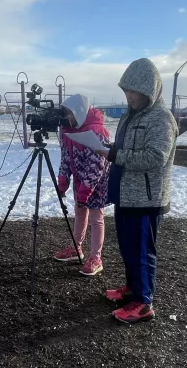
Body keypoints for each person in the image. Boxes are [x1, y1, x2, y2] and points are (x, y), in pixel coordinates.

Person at [97, 58, 178, 324]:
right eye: (126, 91)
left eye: (133, 91)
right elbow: (126, 149)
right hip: (126, 195)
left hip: (146, 199)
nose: (129, 96)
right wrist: (110, 148)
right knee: (128, 249)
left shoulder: (161, 118)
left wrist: (115, 154)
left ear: (148, 89)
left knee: (142, 252)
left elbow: (156, 157)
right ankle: (133, 290)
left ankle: (144, 303)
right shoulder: (131, 116)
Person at [54, 93, 111, 276]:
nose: (66, 117)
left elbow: (97, 165)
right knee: (79, 213)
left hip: (96, 183)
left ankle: (96, 257)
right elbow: (65, 157)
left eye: (69, 113)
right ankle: (76, 248)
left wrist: (86, 189)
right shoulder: (69, 130)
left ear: (79, 112)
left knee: (96, 218)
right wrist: (63, 179)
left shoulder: (97, 132)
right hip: (81, 181)